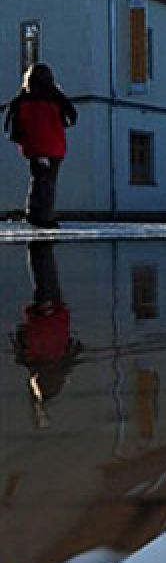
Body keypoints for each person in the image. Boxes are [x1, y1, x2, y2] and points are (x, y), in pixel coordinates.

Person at [11, 242, 81, 428]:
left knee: (47, 281)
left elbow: (74, 346)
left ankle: (41, 246)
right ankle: (39, 247)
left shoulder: (59, 366)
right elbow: (20, 337)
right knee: (43, 282)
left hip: (53, 318)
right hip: (44, 319)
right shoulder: (33, 363)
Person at [3, 64, 78, 229]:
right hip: (54, 144)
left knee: (37, 178)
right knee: (49, 180)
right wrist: (61, 124)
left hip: (33, 145)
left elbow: (10, 123)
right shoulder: (56, 96)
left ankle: (34, 212)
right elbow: (72, 115)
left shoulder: (22, 98)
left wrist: (20, 138)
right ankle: (44, 215)